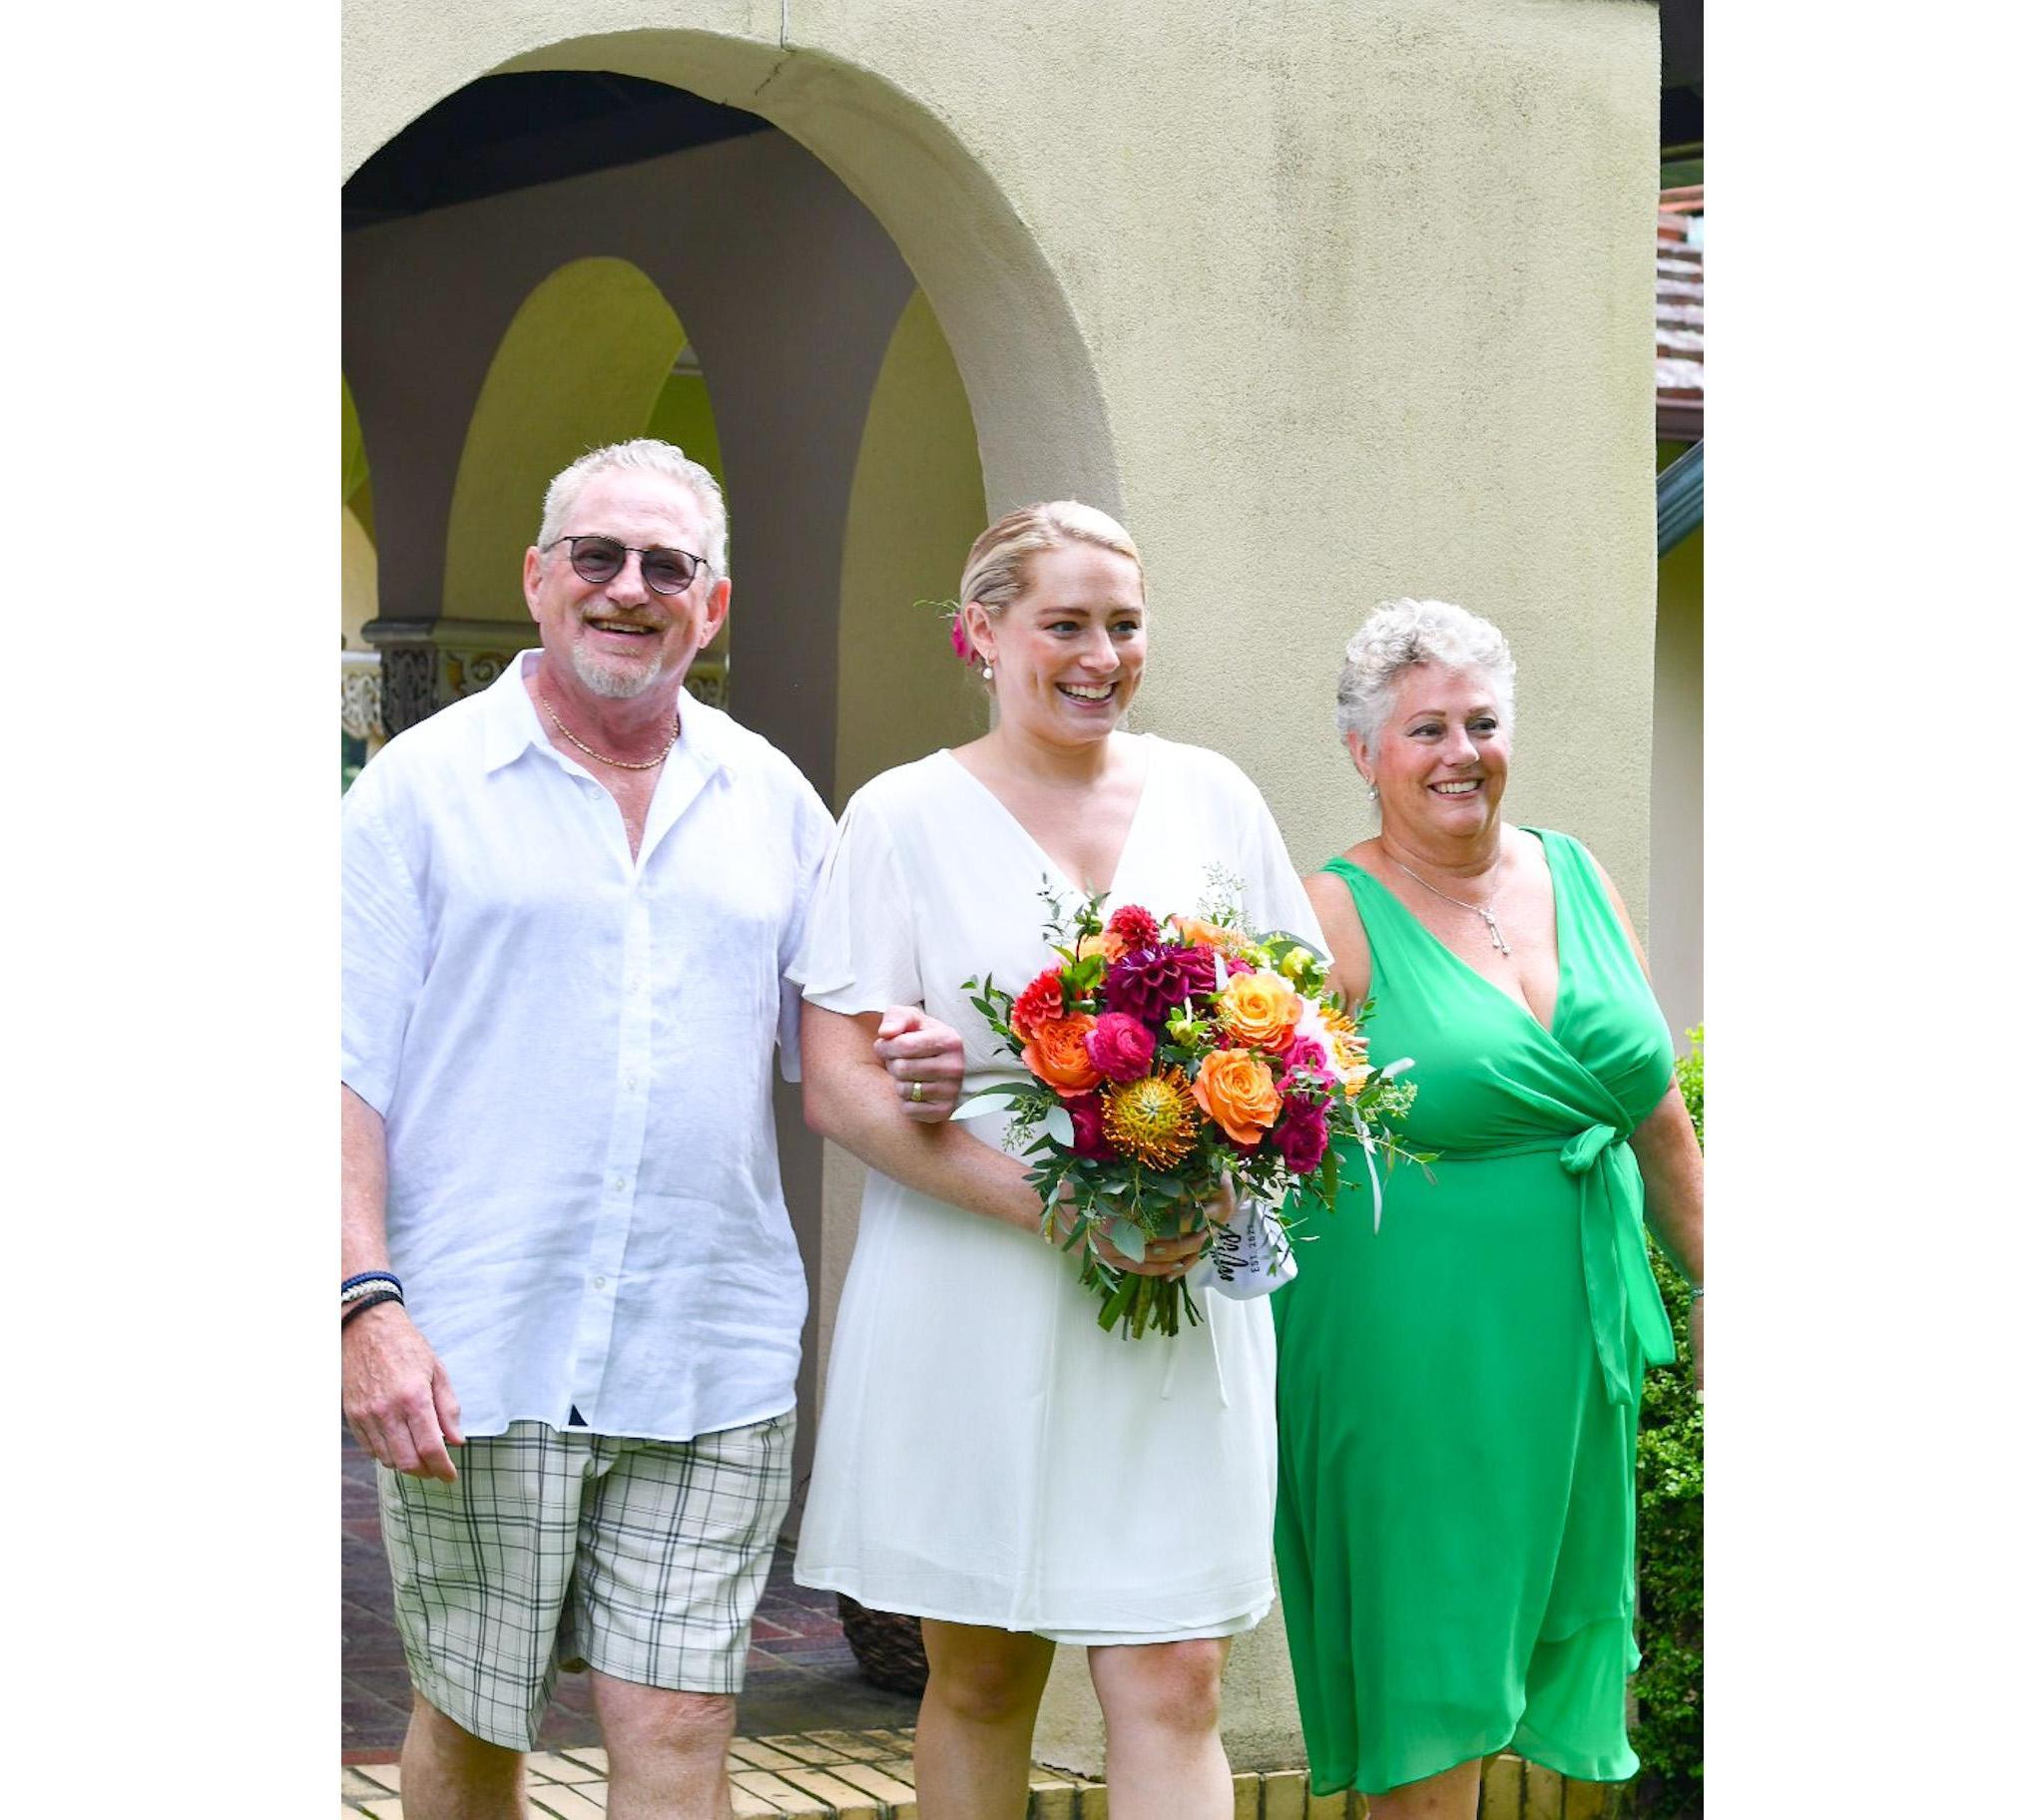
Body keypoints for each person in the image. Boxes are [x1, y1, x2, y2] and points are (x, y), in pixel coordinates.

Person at [340, 438, 965, 1820]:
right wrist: (362, 1305)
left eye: (667, 565)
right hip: (477, 1346)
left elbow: (841, 1048)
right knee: (473, 1720)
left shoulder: (775, 803)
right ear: (540, 578)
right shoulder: (417, 793)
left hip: (710, 1342)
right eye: (599, 556)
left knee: (682, 1725)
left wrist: (924, 1056)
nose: (631, 589)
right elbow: (337, 1072)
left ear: (713, 603)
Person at [791, 502, 1322, 1820]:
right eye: (1065, 624)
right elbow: (841, 1084)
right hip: (976, 1285)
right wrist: (1062, 1216)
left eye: (1124, 626)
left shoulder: (1215, 795)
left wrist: (1223, 1137)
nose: (1101, 653)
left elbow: (1306, 1024)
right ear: (984, 635)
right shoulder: (901, 817)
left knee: (1180, 1668)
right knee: (978, 1668)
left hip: (1175, 1298)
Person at [1271, 598, 1706, 1818]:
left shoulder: (1575, 871)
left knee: (1534, 1649)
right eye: (1424, 729)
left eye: (1480, 720)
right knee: (1433, 1665)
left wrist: (1718, 1280)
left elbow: (1649, 1104)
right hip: (1406, 1353)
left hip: (1570, 1342)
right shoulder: (1330, 920)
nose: (1461, 750)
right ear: (1363, 754)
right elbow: (1245, 1142)